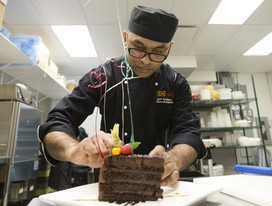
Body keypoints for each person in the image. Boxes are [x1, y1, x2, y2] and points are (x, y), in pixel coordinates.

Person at [38, 5, 207, 186]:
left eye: (158, 52)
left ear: (169, 48)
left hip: (158, 181)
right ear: (126, 38)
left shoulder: (175, 82)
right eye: (138, 48)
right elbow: (58, 120)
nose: (145, 60)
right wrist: (73, 150)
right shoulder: (103, 76)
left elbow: (188, 133)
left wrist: (173, 158)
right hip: (109, 180)